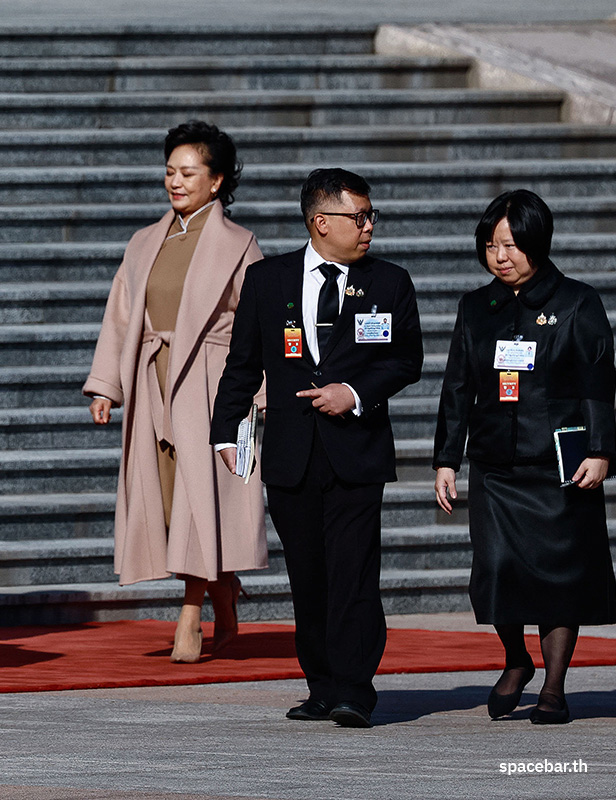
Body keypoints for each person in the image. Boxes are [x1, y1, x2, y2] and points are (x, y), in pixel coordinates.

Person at [210, 168, 423, 728]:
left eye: (372, 215)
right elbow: (242, 364)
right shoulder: (267, 280)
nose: (369, 226)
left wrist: (352, 392)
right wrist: (224, 431)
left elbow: (406, 361)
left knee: (353, 573)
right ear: (320, 221)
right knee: (308, 575)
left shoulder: (389, 282)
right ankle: (322, 685)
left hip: (356, 450)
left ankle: (356, 687)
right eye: (360, 216)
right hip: (291, 452)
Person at [83, 121, 267, 664]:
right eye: (170, 171)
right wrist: (107, 387)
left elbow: (256, 327)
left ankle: (191, 612)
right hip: (151, 381)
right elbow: (121, 317)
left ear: (217, 181)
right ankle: (225, 594)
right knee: (169, 502)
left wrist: (256, 399)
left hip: (212, 384)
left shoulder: (240, 246)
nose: (176, 181)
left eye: (189, 172)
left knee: (196, 497)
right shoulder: (144, 241)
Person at [433, 190, 616, 725]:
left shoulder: (576, 303)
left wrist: (602, 451)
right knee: (495, 570)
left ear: (538, 243)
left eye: (511, 245)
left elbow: (599, 385)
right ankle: (516, 659)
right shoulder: (476, 306)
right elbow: (456, 386)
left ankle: (555, 688)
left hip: (560, 466)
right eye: (490, 245)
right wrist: (447, 458)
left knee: (559, 581)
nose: (500, 256)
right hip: (495, 466)